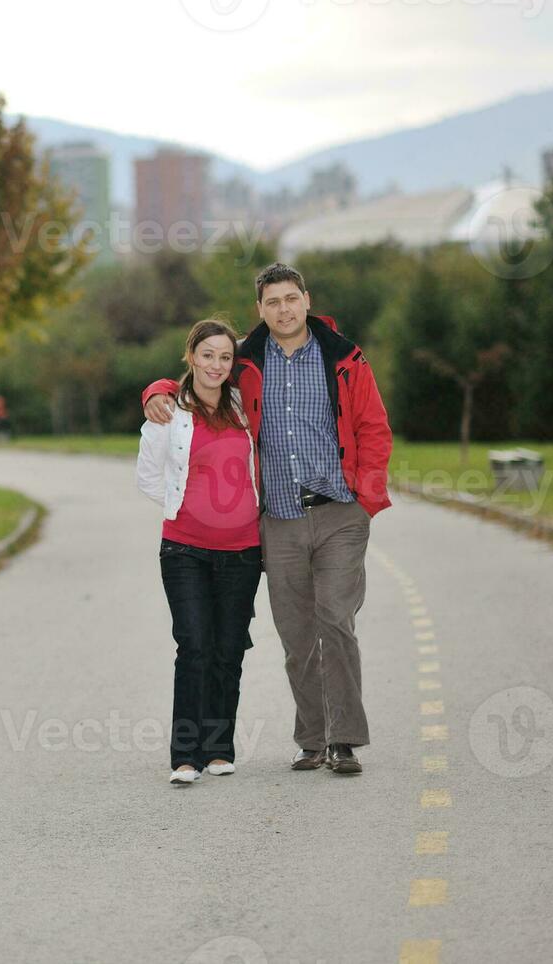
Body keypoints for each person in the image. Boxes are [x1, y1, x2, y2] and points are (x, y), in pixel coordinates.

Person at [141, 263, 392, 775]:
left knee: (335, 619)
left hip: (340, 512)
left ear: (306, 299)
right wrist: (156, 392)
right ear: (260, 309)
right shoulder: (246, 358)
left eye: (291, 298)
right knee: (297, 631)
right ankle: (311, 739)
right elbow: (200, 368)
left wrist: (365, 498)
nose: (283, 309)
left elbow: (373, 426)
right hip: (276, 520)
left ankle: (343, 738)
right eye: (272, 301)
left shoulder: (343, 357)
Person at [136, 319, 263, 785]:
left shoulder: (244, 406)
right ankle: (185, 755)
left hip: (245, 550)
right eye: (207, 354)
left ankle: (218, 749)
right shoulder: (170, 412)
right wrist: (188, 510)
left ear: (233, 364)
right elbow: (148, 477)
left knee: (229, 649)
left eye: (225, 357)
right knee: (194, 645)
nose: (216, 364)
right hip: (184, 549)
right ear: (191, 356)